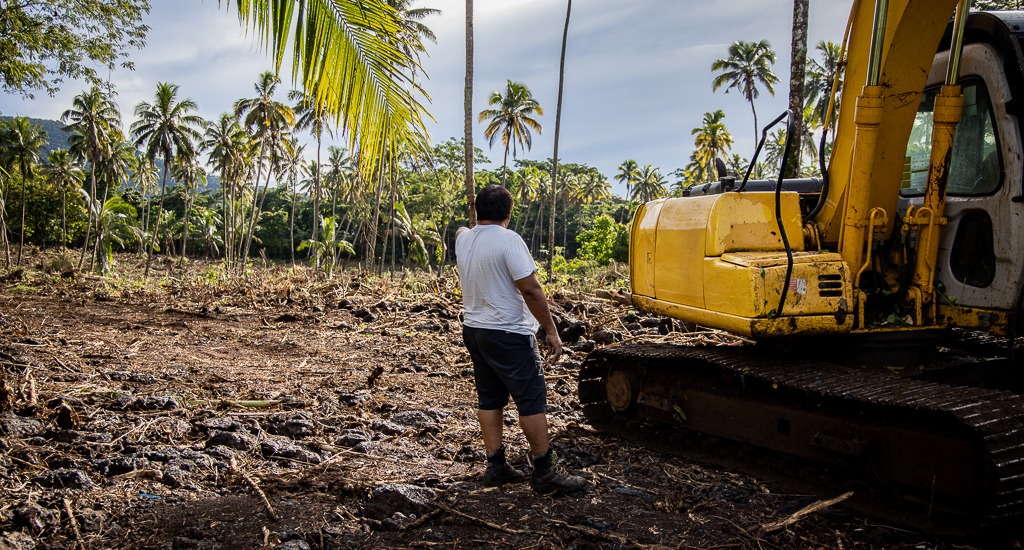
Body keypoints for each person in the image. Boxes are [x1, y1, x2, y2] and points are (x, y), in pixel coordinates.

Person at [455, 185, 588, 495]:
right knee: (530, 400)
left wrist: (470, 226)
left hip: (475, 331)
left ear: (477, 212)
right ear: (509, 213)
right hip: (508, 333)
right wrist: (551, 331)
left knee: (490, 399)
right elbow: (531, 289)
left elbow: (462, 229)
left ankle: (496, 465)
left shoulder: (464, 240)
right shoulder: (510, 240)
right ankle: (544, 471)